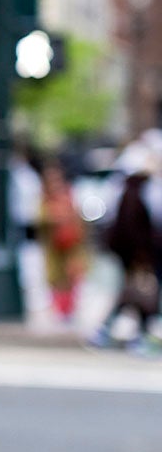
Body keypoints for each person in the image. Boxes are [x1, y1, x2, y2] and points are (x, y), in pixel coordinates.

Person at [87, 143, 162, 355]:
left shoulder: (119, 188)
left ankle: (118, 332)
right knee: (141, 293)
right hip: (142, 254)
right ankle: (134, 335)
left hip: (130, 253)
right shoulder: (145, 190)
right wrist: (143, 254)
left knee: (134, 293)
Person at [36, 161, 85, 322]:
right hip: (53, 247)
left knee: (71, 277)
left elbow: (78, 220)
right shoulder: (44, 199)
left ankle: (68, 311)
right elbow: (40, 218)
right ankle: (59, 310)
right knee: (55, 280)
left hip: (70, 246)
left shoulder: (69, 195)